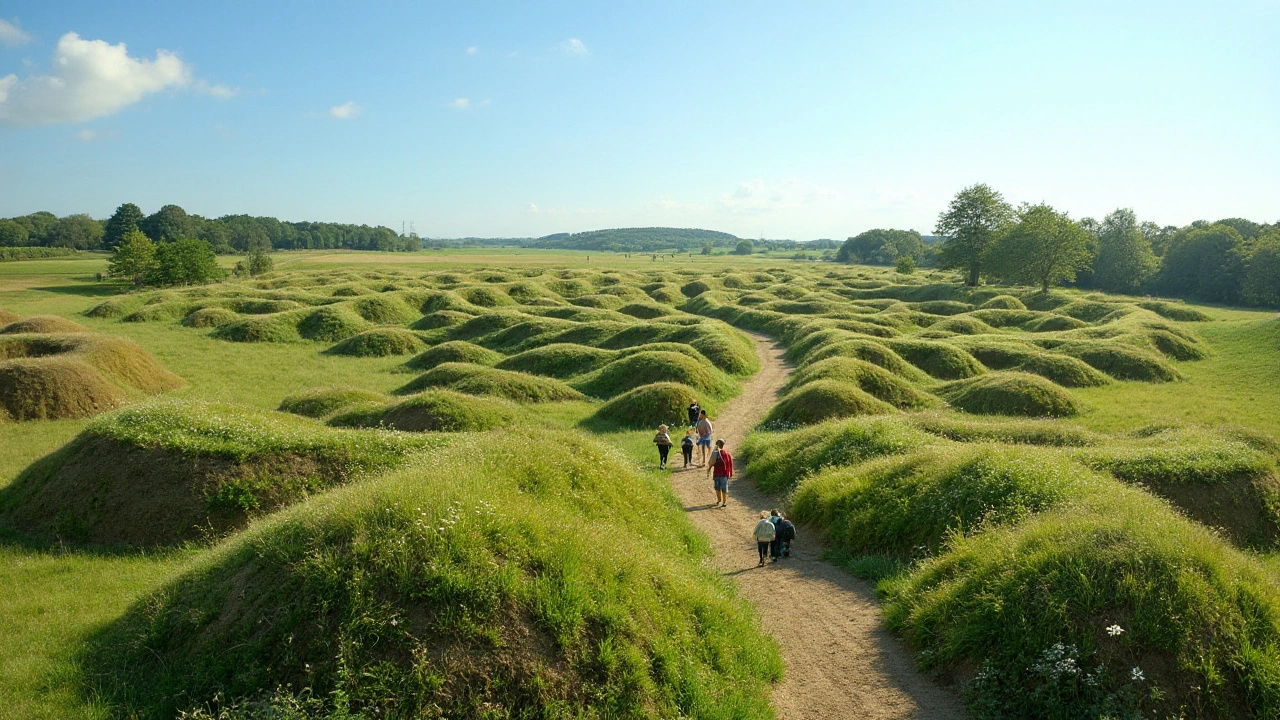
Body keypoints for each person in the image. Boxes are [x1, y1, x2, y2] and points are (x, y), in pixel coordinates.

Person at [706, 438, 733, 508]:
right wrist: (730, 473)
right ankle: (724, 502)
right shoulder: (727, 453)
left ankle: (719, 500)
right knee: (724, 488)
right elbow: (730, 464)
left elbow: (711, 463)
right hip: (724, 474)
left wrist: (708, 470)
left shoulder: (715, 453)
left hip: (717, 474)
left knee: (717, 488)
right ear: (723, 445)